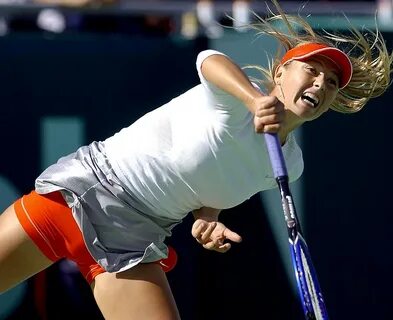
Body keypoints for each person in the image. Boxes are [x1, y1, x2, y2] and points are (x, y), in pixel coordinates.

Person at [0, 1, 392, 319]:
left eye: (332, 82)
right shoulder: (237, 97)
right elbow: (208, 58)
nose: (321, 84)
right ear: (281, 72)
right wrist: (254, 100)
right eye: (312, 70)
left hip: (132, 240)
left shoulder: (290, 162)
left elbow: (215, 178)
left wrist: (209, 217)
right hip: (78, 195)